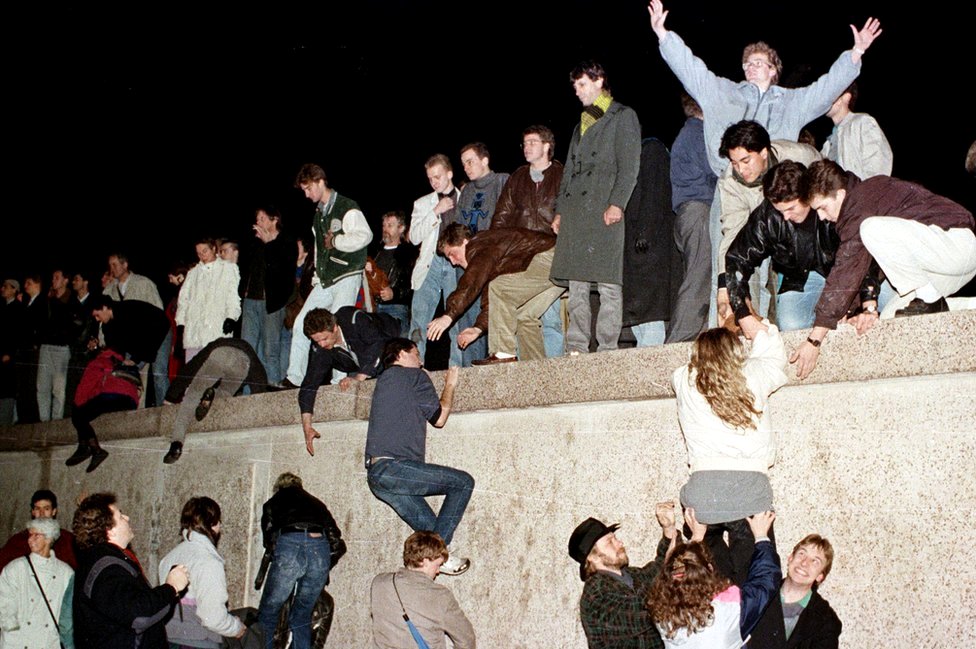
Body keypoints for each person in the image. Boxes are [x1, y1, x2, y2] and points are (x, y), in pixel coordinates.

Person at [647, 0, 881, 326]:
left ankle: (769, 331)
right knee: (729, 260)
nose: (752, 65)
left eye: (760, 61)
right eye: (748, 62)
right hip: (734, 187)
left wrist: (854, 55)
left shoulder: (792, 103)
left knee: (773, 269)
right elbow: (691, 69)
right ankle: (731, 329)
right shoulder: (721, 92)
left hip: (777, 192)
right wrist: (663, 35)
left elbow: (825, 89)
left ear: (774, 70)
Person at [793, 160, 976, 379]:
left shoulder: (864, 198)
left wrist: (816, 337)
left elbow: (847, 268)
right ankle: (967, 306)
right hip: (943, 266)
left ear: (840, 195)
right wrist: (850, 312)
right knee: (892, 315)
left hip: (957, 244)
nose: (821, 217)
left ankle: (931, 300)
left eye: (822, 207)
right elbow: (865, 266)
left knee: (871, 229)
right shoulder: (862, 204)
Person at [672, 324, 788, 585]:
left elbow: (694, 368)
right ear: (736, 351)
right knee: (754, 578)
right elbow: (774, 353)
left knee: (712, 584)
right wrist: (749, 328)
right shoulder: (754, 372)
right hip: (749, 490)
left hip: (703, 494)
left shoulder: (682, 378)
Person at [725, 161, 887, 335]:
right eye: (780, 211)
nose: (785, 217)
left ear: (808, 197)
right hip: (800, 278)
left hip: (850, 271)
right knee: (790, 325)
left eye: (791, 208)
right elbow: (736, 259)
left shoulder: (832, 203)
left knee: (889, 303)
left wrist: (853, 306)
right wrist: (742, 314)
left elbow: (863, 255)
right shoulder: (768, 215)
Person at [550, 60, 641, 354]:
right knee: (576, 285)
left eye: (582, 85)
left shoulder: (623, 116)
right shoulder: (581, 124)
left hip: (604, 210)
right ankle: (576, 345)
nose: (577, 92)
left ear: (599, 80)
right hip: (576, 213)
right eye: (575, 86)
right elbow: (569, 172)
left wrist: (617, 204)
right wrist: (561, 210)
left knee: (608, 283)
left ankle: (607, 349)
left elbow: (629, 166)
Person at [365, 338, 471, 576]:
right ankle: (439, 557)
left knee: (431, 529)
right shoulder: (414, 376)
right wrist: (450, 384)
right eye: (417, 354)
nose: (421, 360)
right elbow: (439, 419)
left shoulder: (383, 380)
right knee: (463, 482)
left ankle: (439, 559)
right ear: (402, 354)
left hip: (377, 476)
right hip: (395, 468)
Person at [715, 121, 821, 324]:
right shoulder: (730, 182)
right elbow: (732, 234)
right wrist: (723, 287)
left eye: (746, 161)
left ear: (764, 152)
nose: (740, 169)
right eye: (734, 163)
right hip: (770, 240)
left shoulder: (799, 155)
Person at [285, 163, 372, 387]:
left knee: (335, 325)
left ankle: (339, 379)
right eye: (303, 190)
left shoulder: (347, 206)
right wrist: (316, 276)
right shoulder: (318, 216)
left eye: (308, 188)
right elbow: (318, 250)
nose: (306, 194)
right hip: (326, 279)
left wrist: (337, 241)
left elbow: (365, 236)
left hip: (347, 274)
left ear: (320, 181)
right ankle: (294, 378)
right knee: (301, 323)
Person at [427, 223, 563, 364]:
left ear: (464, 241)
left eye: (452, 254)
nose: (453, 262)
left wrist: (448, 316)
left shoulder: (480, 244)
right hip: (556, 267)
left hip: (551, 256)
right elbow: (495, 303)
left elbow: (471, 282)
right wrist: (477, 329)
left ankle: (503, 354)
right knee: (523, 316)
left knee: (499, 288)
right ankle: (535, 370)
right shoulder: (490, 259)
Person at [647, 510, 780, 648]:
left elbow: (679, 575)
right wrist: (761, 537)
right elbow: (765, 581)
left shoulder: (661, 616)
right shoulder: (729, 610)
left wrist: (696, 537)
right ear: (710, 569)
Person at [72, 492, 189, 649]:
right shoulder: (106, 568)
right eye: (120, 516)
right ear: (109, 530)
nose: (127, 518)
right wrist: (171, 587)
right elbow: (139, 616)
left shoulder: (104, 561)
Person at [491, 124, 566, 357]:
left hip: (553, 253)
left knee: (550, 321)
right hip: (523, 258)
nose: (527, 147)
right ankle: (536, 376)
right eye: (524, 143)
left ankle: (503, 355)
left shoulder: (563, 175)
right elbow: (501, 217)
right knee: (526, 316)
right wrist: (495, 253)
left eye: (533, 142)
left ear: (547, 146)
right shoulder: (517, 178)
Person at [567, 503, 681, 649]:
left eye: (615, 538)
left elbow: (659, 567)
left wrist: (669, 528)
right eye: (610, 542)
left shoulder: (630, 575)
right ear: (592, 558)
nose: (619, 543)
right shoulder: (597, 594)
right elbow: (646, 614)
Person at [299, 307, 399, 456]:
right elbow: (309, 384)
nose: (321, 344)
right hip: (362, 359)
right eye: (316, 340)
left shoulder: (353, 318)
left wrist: (358, 378)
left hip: (392, 337)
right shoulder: (320, 347)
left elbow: (378, 345)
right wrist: (307, 427)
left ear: (334, 328)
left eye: (324, 338)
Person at [257, 472, 342, 649]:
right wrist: (325, 565)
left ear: (278, 487)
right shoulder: (317, 503)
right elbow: (337, 540)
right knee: (302, 615)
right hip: (320, 551)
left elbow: (269, 540)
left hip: (290, 545)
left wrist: (282, 561)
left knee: (268, 613)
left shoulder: (273, 502)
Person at [162, 338, 268, 464]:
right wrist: (260, 397)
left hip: (220, 354)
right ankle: (214, 394)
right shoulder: (249, 350)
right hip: (243, 361)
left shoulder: (216, 344)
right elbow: (260, 378)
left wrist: (171, 396)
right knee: (226, 394)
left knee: (193, 395)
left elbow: (191, 368)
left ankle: (176, 443)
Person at [158, 497, 245, 647]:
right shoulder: (209, 561)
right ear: (211, 524)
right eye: (218, 521)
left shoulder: (169, 557)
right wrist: (236, 628)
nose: (220, 526)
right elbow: (213, 618)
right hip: (197, 641)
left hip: (167, 639)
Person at [666, 94, 718, 343]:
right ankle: (677, 342)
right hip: (699, 211)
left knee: (699, 276)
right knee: (698, 278)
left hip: (689, 213)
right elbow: (714, 172)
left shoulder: (687, 134)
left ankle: (695, 338)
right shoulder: (698, 134)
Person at [453, 143, 509, 366]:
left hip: (493, 261)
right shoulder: (466, 191)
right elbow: (458, 226)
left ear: (484, 160)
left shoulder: (502, 181)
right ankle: (470, 371)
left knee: (492, 315)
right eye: (463, 164)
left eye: (470, 161)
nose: (466, 167)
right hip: (468, 263)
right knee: (467, 315)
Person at [370, 531, 475, 649]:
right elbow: (466, 639)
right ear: (424, 561)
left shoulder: (379, 583)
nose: (438, 571)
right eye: (438, 565)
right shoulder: (441, 596)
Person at [408, 154, 463, 366]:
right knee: (419, 321)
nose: (434, 182)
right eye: (430, 178)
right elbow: (413, 237)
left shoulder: (465, 197)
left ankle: (457, 369)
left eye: (438, 176)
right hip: (430, 265)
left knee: (455, 318)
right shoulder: (423, 203)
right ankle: (414, 367)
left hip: (454, 265)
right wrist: (435, 212)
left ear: (449, 173)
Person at [749, 534, 842, 648]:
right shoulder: (758, 593)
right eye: (802, 554)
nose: (804, 563)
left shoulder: (826, 621)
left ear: (820, 576)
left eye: (815, 561)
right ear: (790, 558)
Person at [241, 206, 297, 386]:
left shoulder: (287, 241)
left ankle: (272, 391)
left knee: (269, 350)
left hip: (271, 303)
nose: (258, 223)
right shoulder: (254, 243)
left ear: (274, 219)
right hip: (250, 301)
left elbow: (283, 271)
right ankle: (249, 394)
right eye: (257, 219)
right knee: (247, 350)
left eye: (262, 218)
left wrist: (269, 244)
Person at [0, 517, 74, 649]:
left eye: (36, 535)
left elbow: (68, 612)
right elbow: (4, 601)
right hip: (19, 641)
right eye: (30, 535)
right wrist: (11, 629)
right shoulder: (16, 568)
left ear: (49, 538)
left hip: (48, 642)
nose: (30, 539)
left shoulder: (65, 573)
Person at [65, 348, 140, 472]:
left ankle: (94, 449)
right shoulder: (121, 361)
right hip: (130, 401)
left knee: (78, 415)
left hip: (113, 396)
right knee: (85, 412)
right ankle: (83, 447)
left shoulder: (99, 361)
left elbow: (86, 386)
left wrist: (77, 405)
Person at [176, 238, 242, 362]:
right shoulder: (192, 273)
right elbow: (183, 301)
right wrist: (181, 324)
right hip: (194, 333)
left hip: (216, 329)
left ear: (213, 249)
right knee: (193, 372)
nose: (202, 255)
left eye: (205, 251)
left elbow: (233, 296)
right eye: (199, 253)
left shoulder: (228, 269)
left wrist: (231, 317)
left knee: (215, 369)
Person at [821, 82, 893, 180]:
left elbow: (878, 169)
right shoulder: (828, 144)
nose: (825, 100)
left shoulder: (863, 122)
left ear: (846, 97)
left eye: (830, 94)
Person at [0, 490, 77, 573]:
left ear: (54, 511)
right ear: (33, 512)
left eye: (46, 509)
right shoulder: (18, 540)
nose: (42, 514)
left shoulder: (67, 540)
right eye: (37, 509)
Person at [370, 210, 418, 337]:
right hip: (372, 308)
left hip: (395, 309)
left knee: (398, 349)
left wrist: (395, 293)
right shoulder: (374, 252)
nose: (385, 229)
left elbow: (414, 285)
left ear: (401, 228)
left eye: (390, 225)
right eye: (384, 225)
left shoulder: (408, 254)